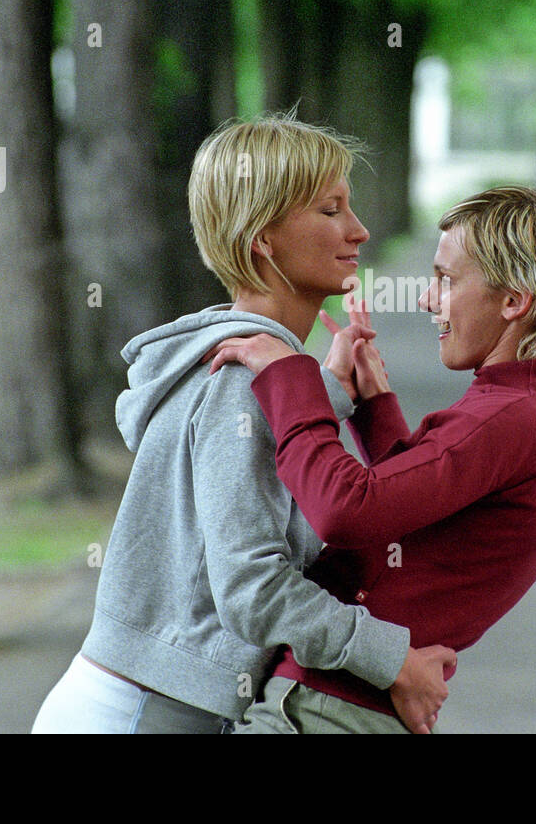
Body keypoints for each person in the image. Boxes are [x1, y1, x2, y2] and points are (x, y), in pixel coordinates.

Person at [31, 112, 454, 734]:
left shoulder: (253, 370)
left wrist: (325, 397)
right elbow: (252, 585)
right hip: (147, 715)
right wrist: (390, 661)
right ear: (263, 238)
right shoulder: (242, 379)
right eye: (331, 210)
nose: (359, 230)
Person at [209, 185, 536, 733]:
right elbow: (427, 511)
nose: (427, 299)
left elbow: (346, 509)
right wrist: (375, 408)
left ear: (514, 301)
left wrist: (290, 377)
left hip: (325, 712)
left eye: (446, 280)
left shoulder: (505, 420)